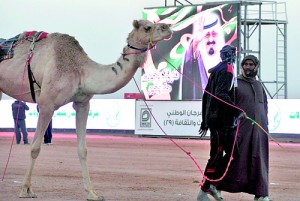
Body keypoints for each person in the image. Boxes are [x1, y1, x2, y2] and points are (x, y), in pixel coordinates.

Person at [216, 55, 269, 201]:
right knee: (236, 160)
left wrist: (266, 125)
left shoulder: (259, 85)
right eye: (246, 64)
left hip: (259, 132)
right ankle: (217, 187)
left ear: (256, 67)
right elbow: (227, 104)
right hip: (240, 131)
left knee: (260, 161)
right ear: (242, 66)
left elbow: (264, 106)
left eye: (251, 64)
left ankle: (261, 193)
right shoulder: (236, 83)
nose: (248, 67)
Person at [197, 45, 244, 201]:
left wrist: (205, 120)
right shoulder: (227, 70)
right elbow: (220, 95)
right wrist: (236, 111)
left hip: (222, 121)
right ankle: (204, 190)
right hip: (220, 121)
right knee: (217, 155)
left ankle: (213, 183)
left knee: (232, 153)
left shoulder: (218, 70)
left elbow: (206, 96)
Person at [179, 11, 225, 100]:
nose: (211, 39)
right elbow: (188, 64)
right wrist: (196, 42)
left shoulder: (225, 62)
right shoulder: (196, 60)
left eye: (214, 34)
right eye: (207, 35)